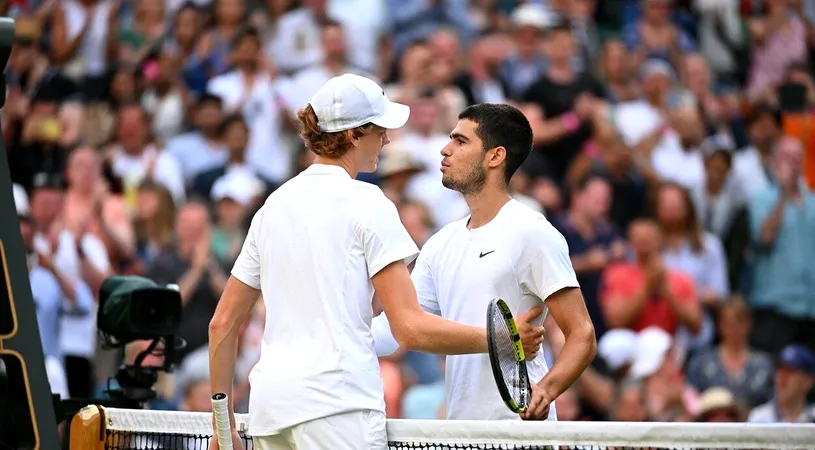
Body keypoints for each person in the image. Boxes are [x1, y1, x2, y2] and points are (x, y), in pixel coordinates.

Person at [207, 75, 540, 450]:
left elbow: (222, 324)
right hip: (338, 412)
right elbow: (409, 329)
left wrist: (223, 427)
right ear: (353, 135)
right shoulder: (369, 203)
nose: (386, 138)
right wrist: (500, 340)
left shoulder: (272, 206)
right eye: (379, 130)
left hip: (272, 412)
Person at [373, 103, 597, 421]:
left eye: (460, 141)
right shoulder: (440, 243)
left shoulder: (531, 232)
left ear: (495, 156)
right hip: (462, 434)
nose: (445, 149)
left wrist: (546, 390)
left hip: (520, 434)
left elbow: (582, 333)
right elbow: (398, 329)